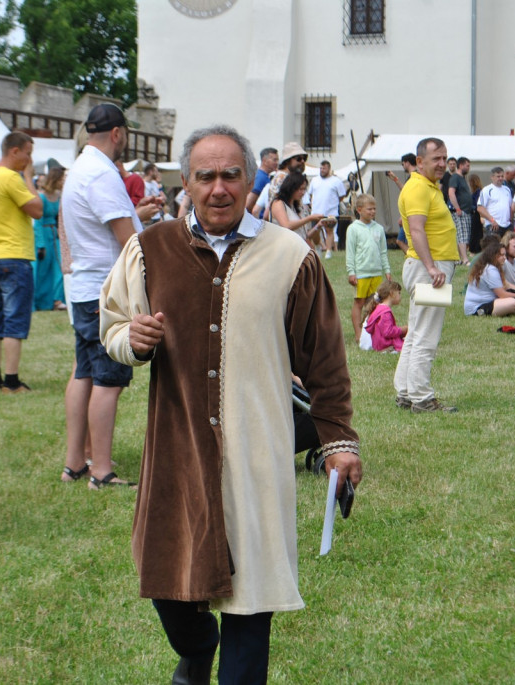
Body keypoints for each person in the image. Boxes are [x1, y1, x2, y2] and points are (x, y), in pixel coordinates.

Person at [99, 124, 361, 684]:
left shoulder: (290, 255)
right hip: (178, 451)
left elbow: (324, 360)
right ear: (186, 184)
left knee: (252, 604)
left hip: (258, 456)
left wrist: (337, 440)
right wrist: (133, 340)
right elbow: (114, 325)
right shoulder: (149, 249)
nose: (219, 188)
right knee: (169, 588)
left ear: (250, 181)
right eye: (205, 176)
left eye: (230, 175)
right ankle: (196, 649)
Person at [59, 103, 150, 490]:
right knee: (108, 380)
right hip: (105, 291)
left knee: (84, 373)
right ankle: (101, 470)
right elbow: (127, 240)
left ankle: (75, 462)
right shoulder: (101, 173)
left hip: (85, 286)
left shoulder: (81, 168)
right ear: (117, 133)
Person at [394, 138, 459, 413]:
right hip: (428, 270)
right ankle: (421, 397)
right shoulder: (419, 187)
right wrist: (432, 268)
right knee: (425, 335)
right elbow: (417, 230)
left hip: (425, 268)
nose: (442, 164)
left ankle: (406, 392)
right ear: (420, 162)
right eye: (436, 159)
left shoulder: (424, 185)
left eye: (445, 158)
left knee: (415, 332)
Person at [0, 132, 42, 393]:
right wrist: (28, 177)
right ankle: (12, 382)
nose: (29, 158)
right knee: (14, 321)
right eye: (27, 152)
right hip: (15, 257)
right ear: (14, 151)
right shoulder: (10, 178)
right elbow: (37, 208)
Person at [344, 193, 392, 343]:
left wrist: (387, 270)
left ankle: (373, 331)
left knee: (375, 303)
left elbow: (383, 251)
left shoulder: (379, 228)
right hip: (361, 273)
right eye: (369, 209)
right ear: (359, 210)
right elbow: (350, 252)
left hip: (376, 272)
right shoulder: (353, 229)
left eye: (374, 209)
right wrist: (351, 272)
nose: (372, 212)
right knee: (359, 303)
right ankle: (358, 334)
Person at [462, 242, 515, 317]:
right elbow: (502, 295)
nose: (504, 257)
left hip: (488, 303)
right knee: (513, 303)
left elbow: (507, 285)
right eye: (501, 255)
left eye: (505, 255)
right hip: (477, 308)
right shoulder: (490, 270)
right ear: (493, 256)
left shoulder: (490, 267)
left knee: (513, 299)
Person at [33, 164, 66, 311]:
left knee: (59, 268)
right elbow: (37, 223)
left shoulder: (59, 196)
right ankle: (42, 301)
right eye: (61, 178)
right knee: (43, 270)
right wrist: (40, 245)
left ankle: (57, 299)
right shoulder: (41, 197)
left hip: (55, 236)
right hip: (44, 237)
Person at [269, 170, 325, 245]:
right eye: (300, 189)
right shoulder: (278, 203)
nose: (303, 192)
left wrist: (318, 225)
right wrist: (309, 218)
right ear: (291, 188)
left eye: (304, 189)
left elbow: (305, 236)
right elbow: (286, 226)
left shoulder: (297, 207)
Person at [305, 160, 346, 258]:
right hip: (316, 212)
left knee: (330, 232)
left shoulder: (336, 181)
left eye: (324, 168)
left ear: (329, 169)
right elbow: (310, 194)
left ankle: (328, 251)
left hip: (330, 212)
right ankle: (318, 247)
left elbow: (341, 196)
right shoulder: (315, 180)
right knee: (315, 232)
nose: (322, 170)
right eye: (321, 168)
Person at [361, 280, 407, 352]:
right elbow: (387, 332)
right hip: (385, 345)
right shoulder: (385, 312)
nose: (400, 296)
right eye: (399, 293)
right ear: (392, 293)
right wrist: (402, 330)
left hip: (378, 344)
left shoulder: (379, 308)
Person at [448, 156, 473, 264]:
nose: (468, 168)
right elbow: (451, 192)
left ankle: (460, 258)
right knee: (462, 235)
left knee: (463, 235)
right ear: (461, 165)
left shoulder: (462, 178)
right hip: (460, 211)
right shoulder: (455, 177)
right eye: (467, 166)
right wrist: (457, 208)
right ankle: (465, 259)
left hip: (465, 211)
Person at [476, 167, 514, 236]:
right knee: (494, 246)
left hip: (507, 225)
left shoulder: (507, 189)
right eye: (498, 176)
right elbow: (480, 208)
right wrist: (492, 220)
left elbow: (510, 206)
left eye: (502, 176)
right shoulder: (487, 190)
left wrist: (510, 220)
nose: (500, 178)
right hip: (493, 225)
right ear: (492, 177)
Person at [246, 146, 277, 213]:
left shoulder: (264, 176)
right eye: (274, 160)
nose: (277, 163)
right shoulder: (261, 178)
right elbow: (249, 204)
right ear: (264, 160)